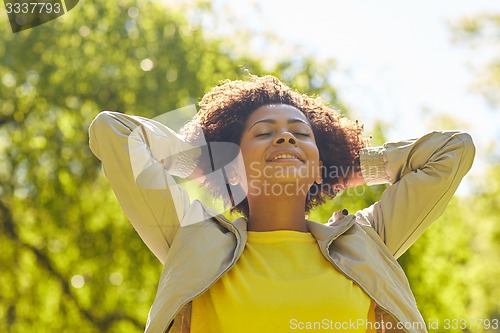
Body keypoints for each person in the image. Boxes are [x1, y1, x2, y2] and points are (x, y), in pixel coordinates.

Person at [88, 75, 475, 333]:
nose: (285, 138)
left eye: (300, 134)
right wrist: (209, 163)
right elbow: (114, 132)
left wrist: (341, 168)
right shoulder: (190, 238)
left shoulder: (368, 241)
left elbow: (453, 150)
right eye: (265, 133)